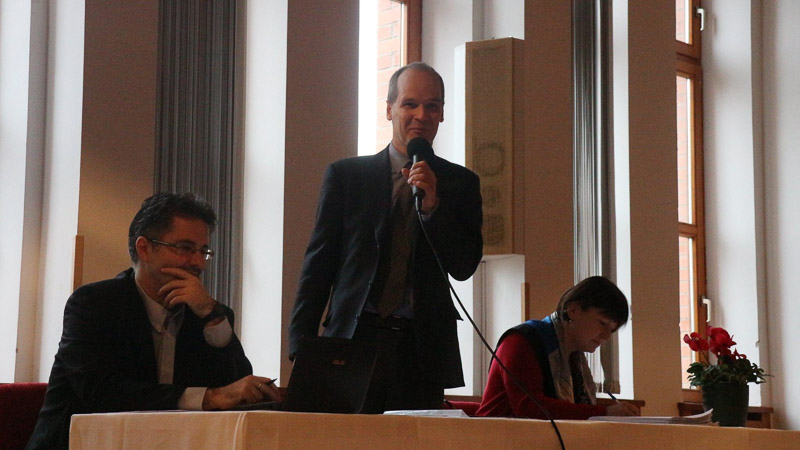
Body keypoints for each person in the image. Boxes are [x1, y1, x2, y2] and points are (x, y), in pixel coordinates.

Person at [289, 62, 483, 413]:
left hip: (421, 349)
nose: (421, 115)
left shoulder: (461, 183)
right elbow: (319, 265)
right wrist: (300, 345)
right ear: (390, 109)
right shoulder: (347, 176)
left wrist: (433, 207)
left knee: (411, 438)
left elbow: (463, 266)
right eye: (410, 104)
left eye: (432, 106)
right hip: (353, 339)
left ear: (442, 114)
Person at [27, 193, 280, 450]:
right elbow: (102, 394)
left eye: (203, 251)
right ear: (144, 248)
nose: (197, 263)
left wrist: (210, 313)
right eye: (185, 248)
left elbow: (237, 393)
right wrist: (209, 397)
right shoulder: (94, 304)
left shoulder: (208, 313)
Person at [475, 276, 640, 419]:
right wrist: (604, 413)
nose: (606, 335)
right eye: (602, 323)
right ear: (573, 310)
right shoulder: (522, 341)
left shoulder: (575, 359)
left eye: (612, 329)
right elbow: (529, 408)